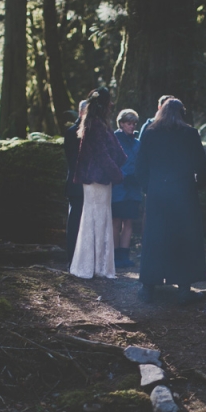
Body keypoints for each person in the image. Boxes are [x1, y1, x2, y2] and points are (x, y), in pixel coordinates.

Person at [135, 98, 206, 305]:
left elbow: (140, 166)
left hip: (158, 192)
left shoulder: (149, 133)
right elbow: (201, 165)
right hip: (183, 192)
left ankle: (148, 287)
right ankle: (184, 288)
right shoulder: (190, 134)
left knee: (154, 237)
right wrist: (198, 186)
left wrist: (148, 188)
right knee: (183, 237)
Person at [69, 87, 126, 279]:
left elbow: (115, 151)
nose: (111, 105)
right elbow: (102, 154)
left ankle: (99, 266)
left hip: (101, 179)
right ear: (103, 104)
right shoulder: (95, 124)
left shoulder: (99, 123)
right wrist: (117, 174)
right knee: (94, 218)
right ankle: (90, 266)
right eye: (109, 101)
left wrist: (118, 163)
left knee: (101, 218)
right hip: (95, 180)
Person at [112, 109, 142, 268]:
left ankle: (124, 255)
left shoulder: (138, 142)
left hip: (133, 188)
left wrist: (137, 178)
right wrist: (123, 176)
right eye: (129, 123)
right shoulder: (114, 139)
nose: (132, 126)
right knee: (116, 221)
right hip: (118, 187)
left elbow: (141, 162)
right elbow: (111, 161)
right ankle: (115, 256)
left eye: (134, 123)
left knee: (129, 221)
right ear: (122, 123)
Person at [63, 100, 88, 268]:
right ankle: (71, 258)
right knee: (75, 221)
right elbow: (73, 162)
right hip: (76, 184)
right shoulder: (72, 132)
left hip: (89, 184)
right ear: (80, 113)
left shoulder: (93, 131)